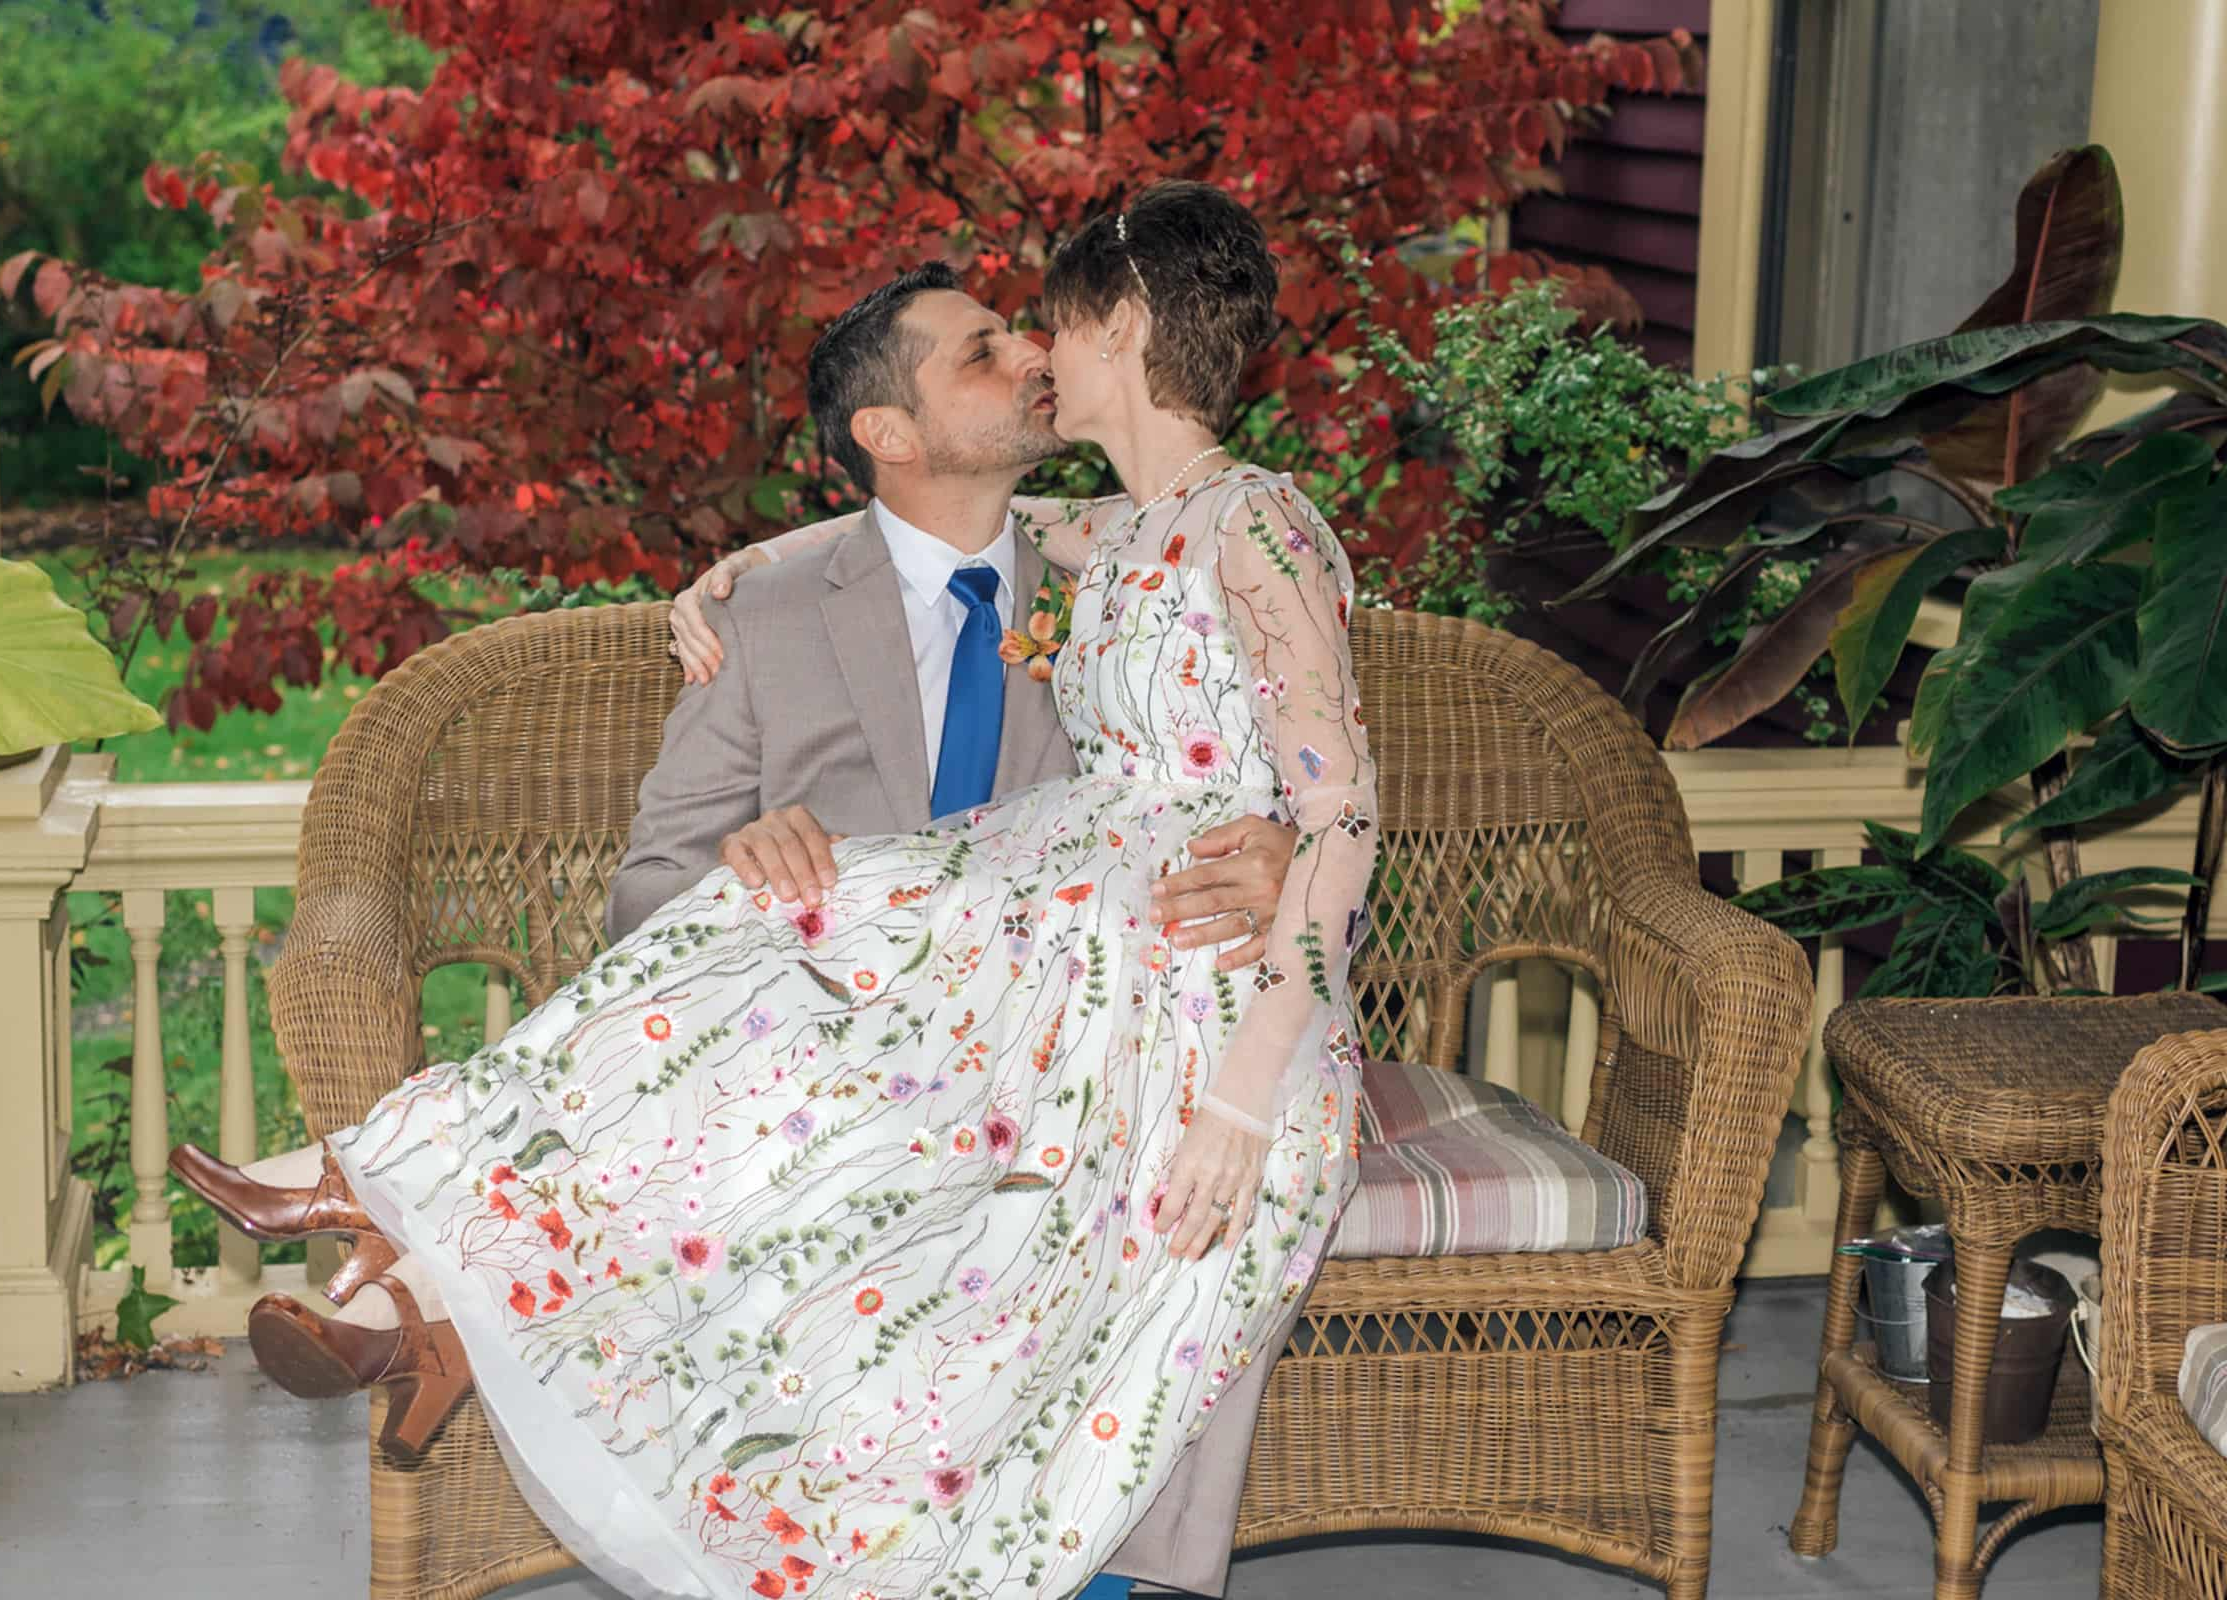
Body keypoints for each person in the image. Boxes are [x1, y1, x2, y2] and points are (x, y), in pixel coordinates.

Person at [170, 179, 1376, 1600]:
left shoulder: (1257, 525)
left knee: (879, 1092)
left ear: (1119, 327)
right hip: (1048, 935)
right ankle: (397, 1224)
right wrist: (728, 577)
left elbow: (1341, 800)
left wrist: (1243, 1084)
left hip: (1187, 979)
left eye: (1043, 324)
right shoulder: (1108, 531)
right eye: (996, 343)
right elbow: (924, 545)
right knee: (765, 921)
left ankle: (405, 1265)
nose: (1038, 352)